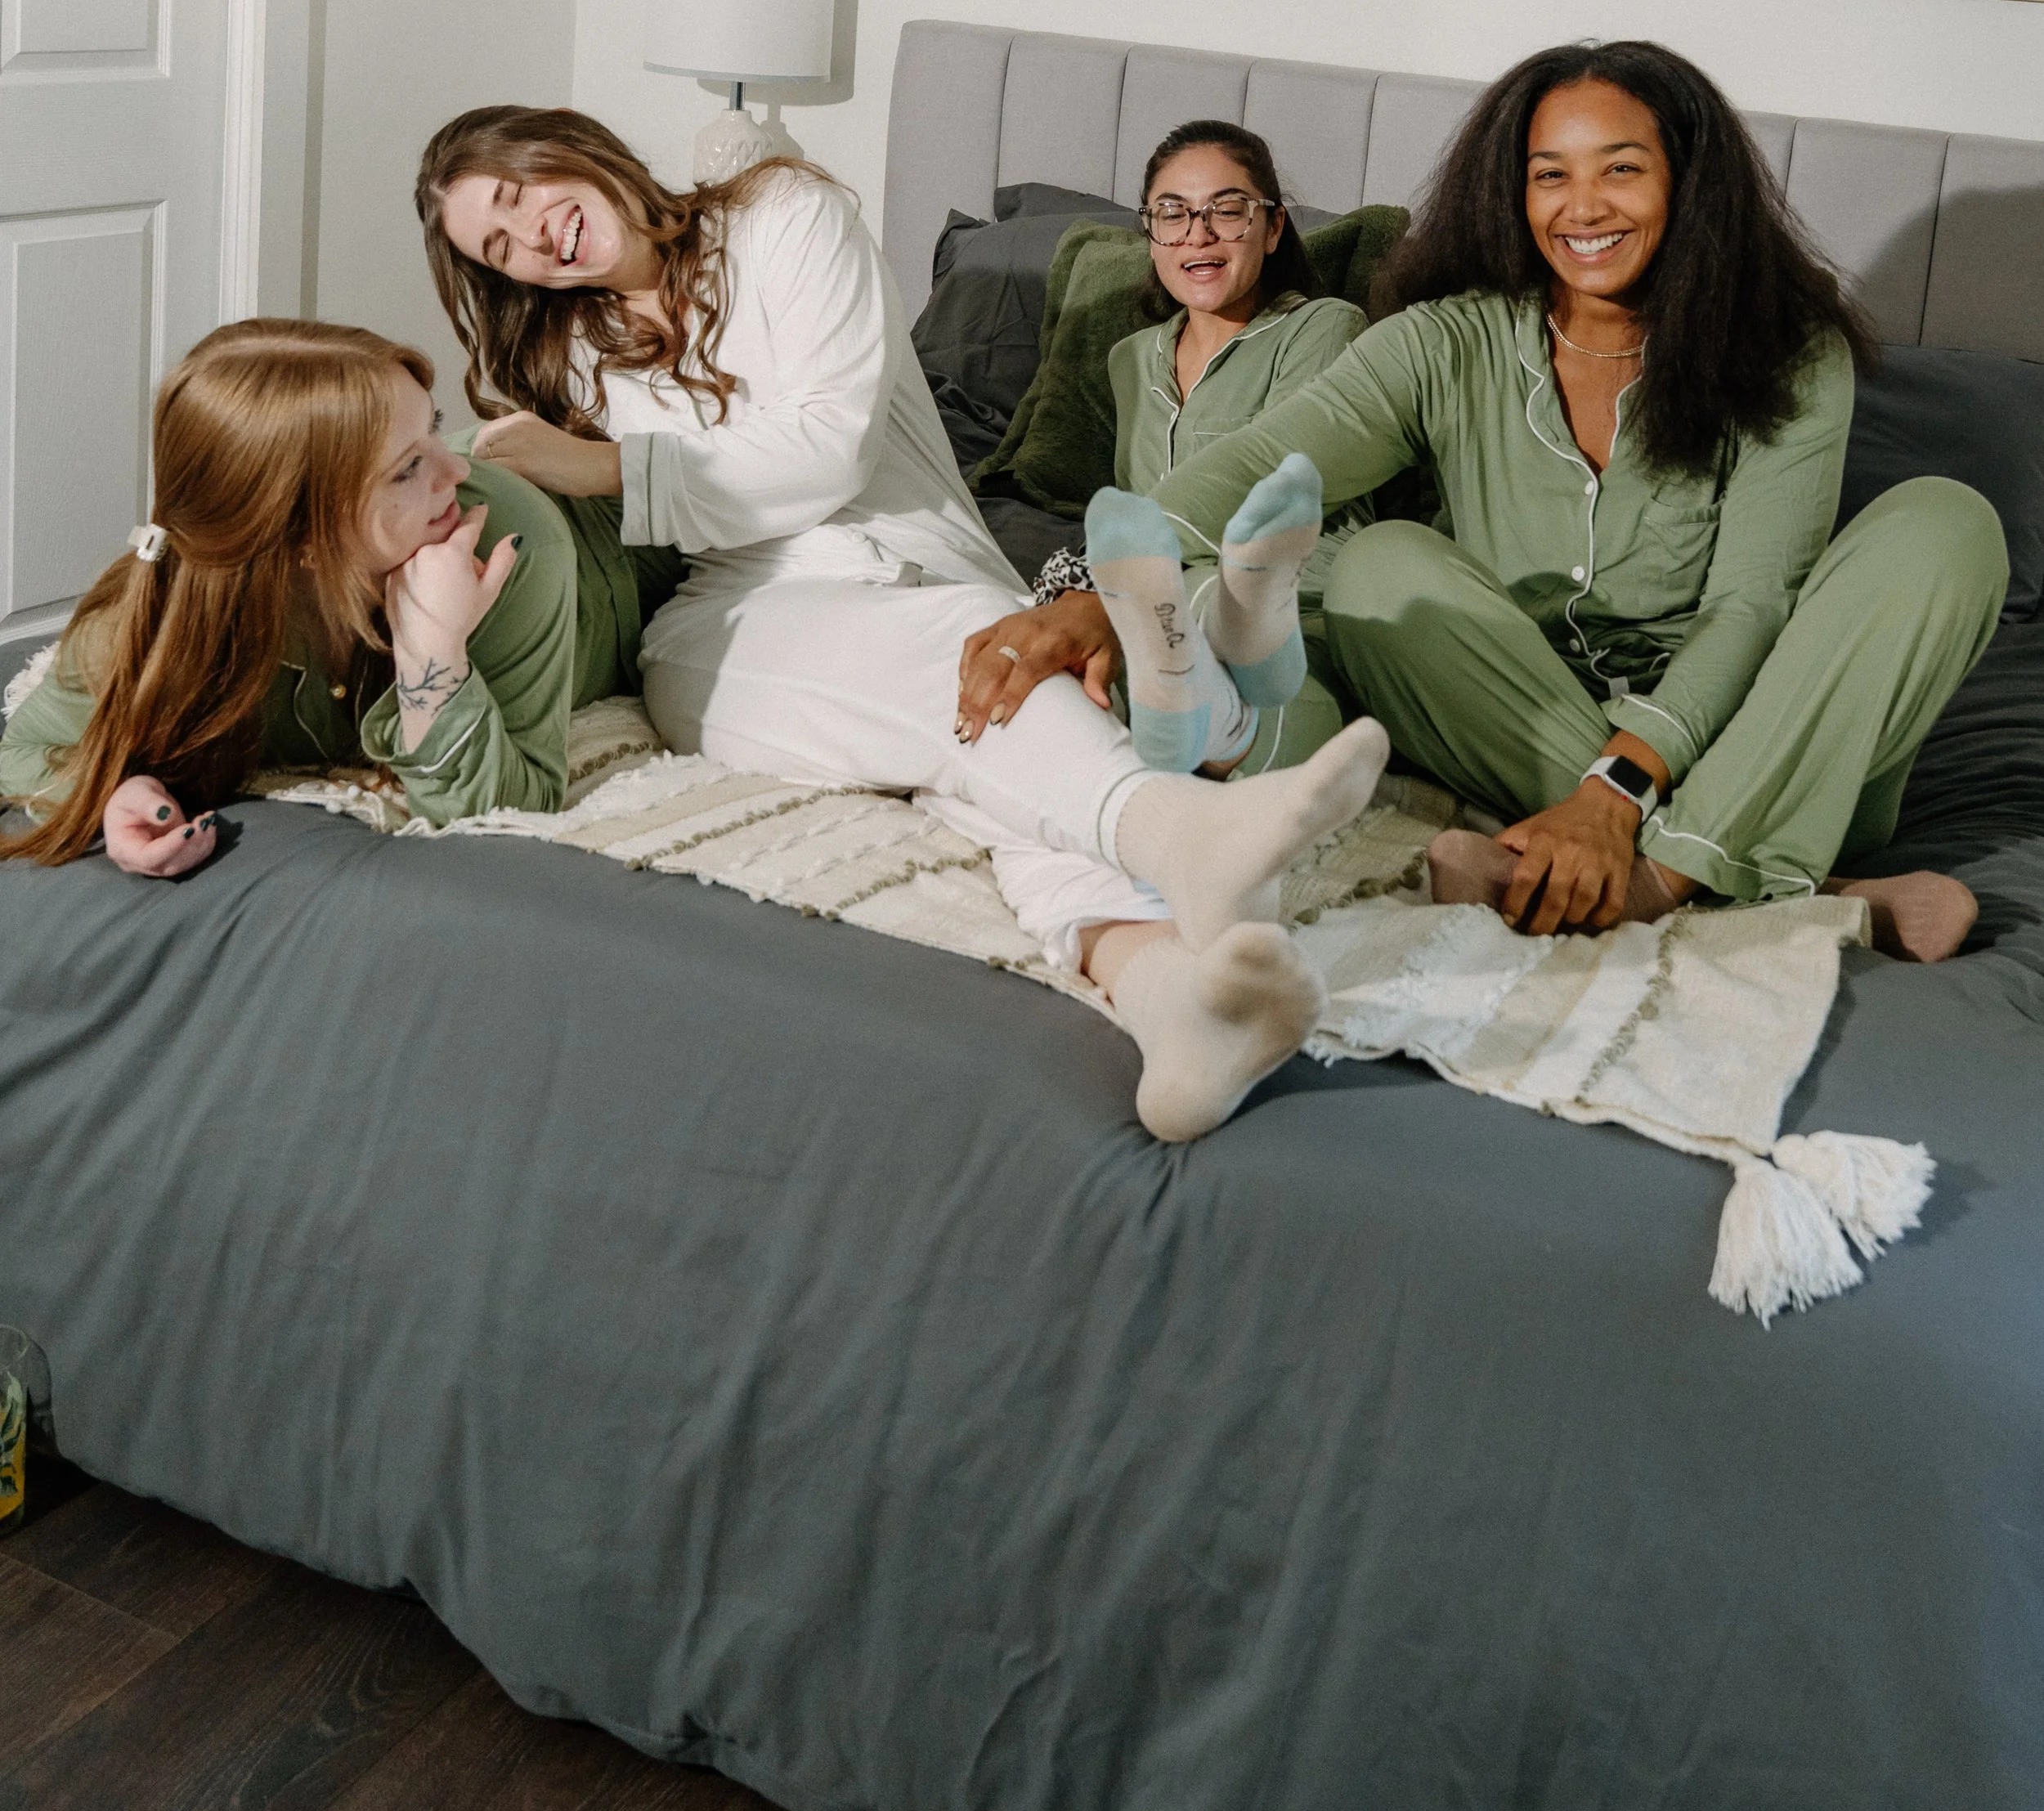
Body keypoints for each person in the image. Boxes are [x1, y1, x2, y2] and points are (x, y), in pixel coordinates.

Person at [417, 105, 1392, 1140]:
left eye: (518, 198)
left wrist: (608, 467)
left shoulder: (785, 217)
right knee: (980, 680)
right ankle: (1180, 828)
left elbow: (827, 451)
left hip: (922, 577)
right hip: (737, 627)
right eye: (498, 247)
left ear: (560, 148)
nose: (531, 240)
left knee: (985, 736)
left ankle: (1173, 1002)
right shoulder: (572, 354)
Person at [1085, 42, 2007, 962]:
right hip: (1524, 722)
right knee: (1377, 566)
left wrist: (1611, 797)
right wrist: (1096, 591)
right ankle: (1775, 880)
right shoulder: (1445, 341)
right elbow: (1258, 467)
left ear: (1688, 184)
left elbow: (1751, 605)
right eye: (1549, 175)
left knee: (1945, 522)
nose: (1583, 206)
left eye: (1622, 169)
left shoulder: (1788, 350)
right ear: (1513, 194)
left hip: (1762, 735)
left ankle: (1655, 881)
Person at [0, 317, 670, 873]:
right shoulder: (150, 620)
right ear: (298, 540)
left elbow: (508, 816)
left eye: (433, 428)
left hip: (626, 548)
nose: (452, 469)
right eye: (409, 466)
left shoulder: (513, 546)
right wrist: (115, 793)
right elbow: (21, 752)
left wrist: (433, 653)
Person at [956, 118, 1365, 773]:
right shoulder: (1131, 359)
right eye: (1172, 214)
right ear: (1150, 234)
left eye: (1227, 212)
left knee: (1273, 705)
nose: (1197, 235)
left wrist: (1103, 597)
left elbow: (1275, 504)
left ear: (1274, 227)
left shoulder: (1322, 329)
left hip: (1285, 608)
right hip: (1160, 616)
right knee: (989, 636)